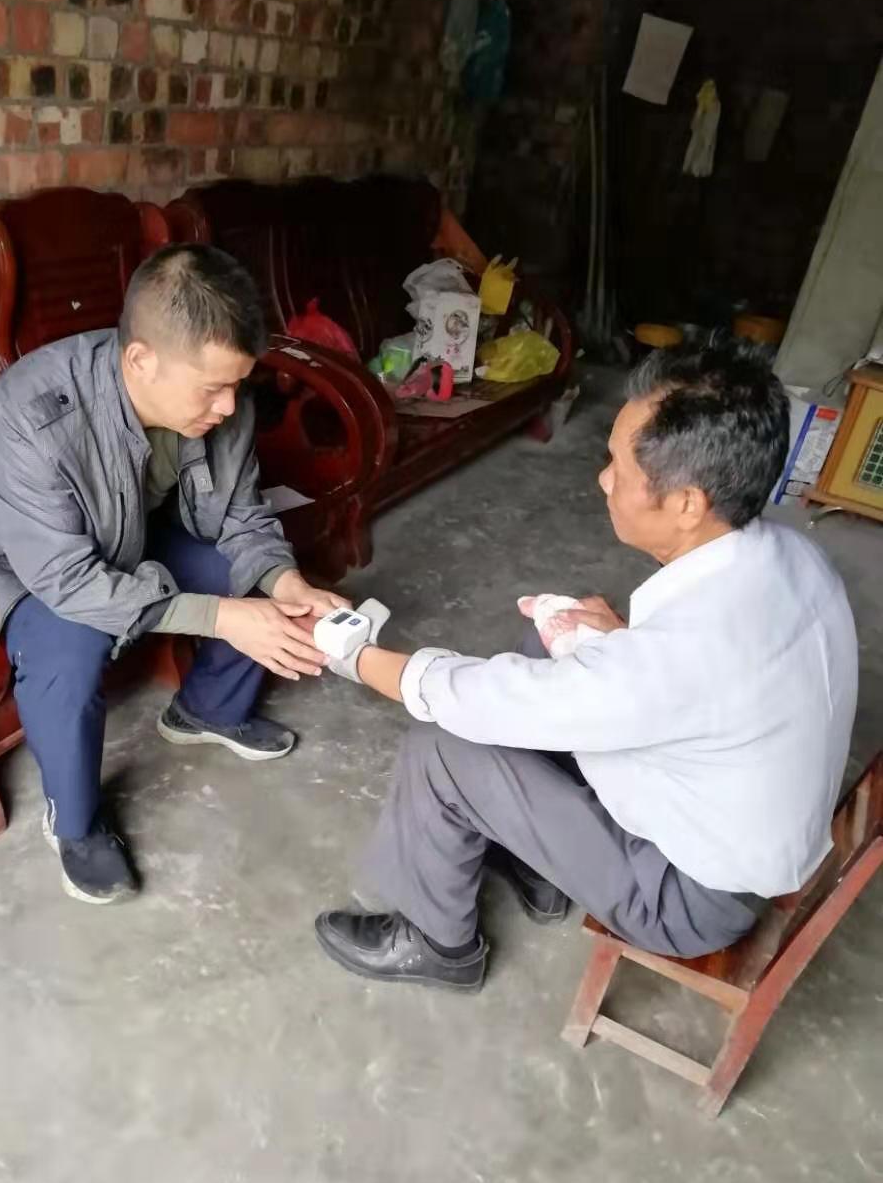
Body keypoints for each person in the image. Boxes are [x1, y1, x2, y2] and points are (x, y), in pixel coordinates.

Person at [312, 347, 859, 992]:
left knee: (439, 749)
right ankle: (541, 871)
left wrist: (356, 657)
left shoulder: (678, 660)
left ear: (687, 503)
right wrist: (615, 639)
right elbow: (696, 677)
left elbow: (467, 697)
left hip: (682, 896)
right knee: (553, 633)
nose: (603, 480)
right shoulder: (792, 555)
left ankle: (438, 945)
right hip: (724, 816)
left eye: (619, 467)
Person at [0, 245, 346, 905]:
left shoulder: (225, 400)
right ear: (140, 361)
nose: (228, 406)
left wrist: (285, 583)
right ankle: (74, 823)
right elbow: (68, 581)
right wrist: (218, 617)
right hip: (23, 568)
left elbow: (242, 514)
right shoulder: (31, 417)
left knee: (249, 580)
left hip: (129, 534)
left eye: (237, 384)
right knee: (70, 650)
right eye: (211, 388)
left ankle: (206, 711)